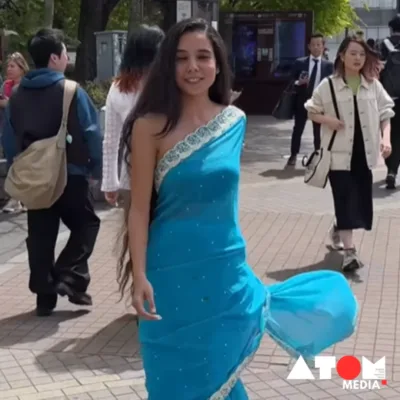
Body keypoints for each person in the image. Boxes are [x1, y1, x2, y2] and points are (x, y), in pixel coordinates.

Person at [117, 18, 358, 399]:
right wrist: (140, 275)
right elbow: (138, 209)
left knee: (221, 371)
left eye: (202, 57)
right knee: (171, 380)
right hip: (168, 276)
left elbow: (225, 205)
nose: (192, 67)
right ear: (168, 65)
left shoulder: (234, 121)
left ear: (217, 63)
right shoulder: (150, 126)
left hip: (222, 271)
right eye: (181, 58)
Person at [1, 28, 102, 316]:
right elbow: (91, 131)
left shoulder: (17, 94)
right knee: (86, 225)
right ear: (55, 57)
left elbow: (9, 138)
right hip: (70, 173)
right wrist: (95, 165)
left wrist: (16, 167)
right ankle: (69, 275)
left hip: (33, 176)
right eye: (64, 52)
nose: (66, 57)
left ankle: (44, 298)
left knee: (41, 233)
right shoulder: (71, 90)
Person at [305, 36, 393, 270]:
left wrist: (386, 139)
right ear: (342, 56)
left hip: (364, 155)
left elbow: (386, 113)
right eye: (353, 53)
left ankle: (338, 228)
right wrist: (329, 120)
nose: (358, 58)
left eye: (362, 54)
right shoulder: (329, 85)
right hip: (337, 156)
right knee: (344, 199)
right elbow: (311, 111)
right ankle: (350, 253)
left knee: (360, 202)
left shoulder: (372, 84)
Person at [102, 25, 164, 207]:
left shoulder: (168, 85)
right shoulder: (119, 88)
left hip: (168, 176)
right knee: (136, 231)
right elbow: (111, 139)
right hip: (133, 177)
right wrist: (110, 183)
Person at [287, 33, 334, 166]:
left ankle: (318, 154)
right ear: (309, 46)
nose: (316, 47)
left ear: (323, 46)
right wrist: (298, 82)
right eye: (313, 45)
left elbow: (332, 84)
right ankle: (293, 155)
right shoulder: (300, 63)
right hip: (302, 100)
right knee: (298, 129)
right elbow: (291, 80)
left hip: (319, 103)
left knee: (318, 130)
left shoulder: (328, 65)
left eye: (319, 44)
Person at [0, 52, 29, 213]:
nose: (9, 69)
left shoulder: (26, 86)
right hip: (8, 131)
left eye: (12, 66)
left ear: (21, 68)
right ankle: (16, 199)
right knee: (12, 164)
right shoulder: (5, 85)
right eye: (8, 66)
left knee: (23, 165)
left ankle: (19, 199)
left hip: (23, 131)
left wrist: (8, 104)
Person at [380, 15, 400, 189]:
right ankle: (394, 169)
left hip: (389, 98)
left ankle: (391, 170)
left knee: (390, 134)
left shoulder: (384, 44)